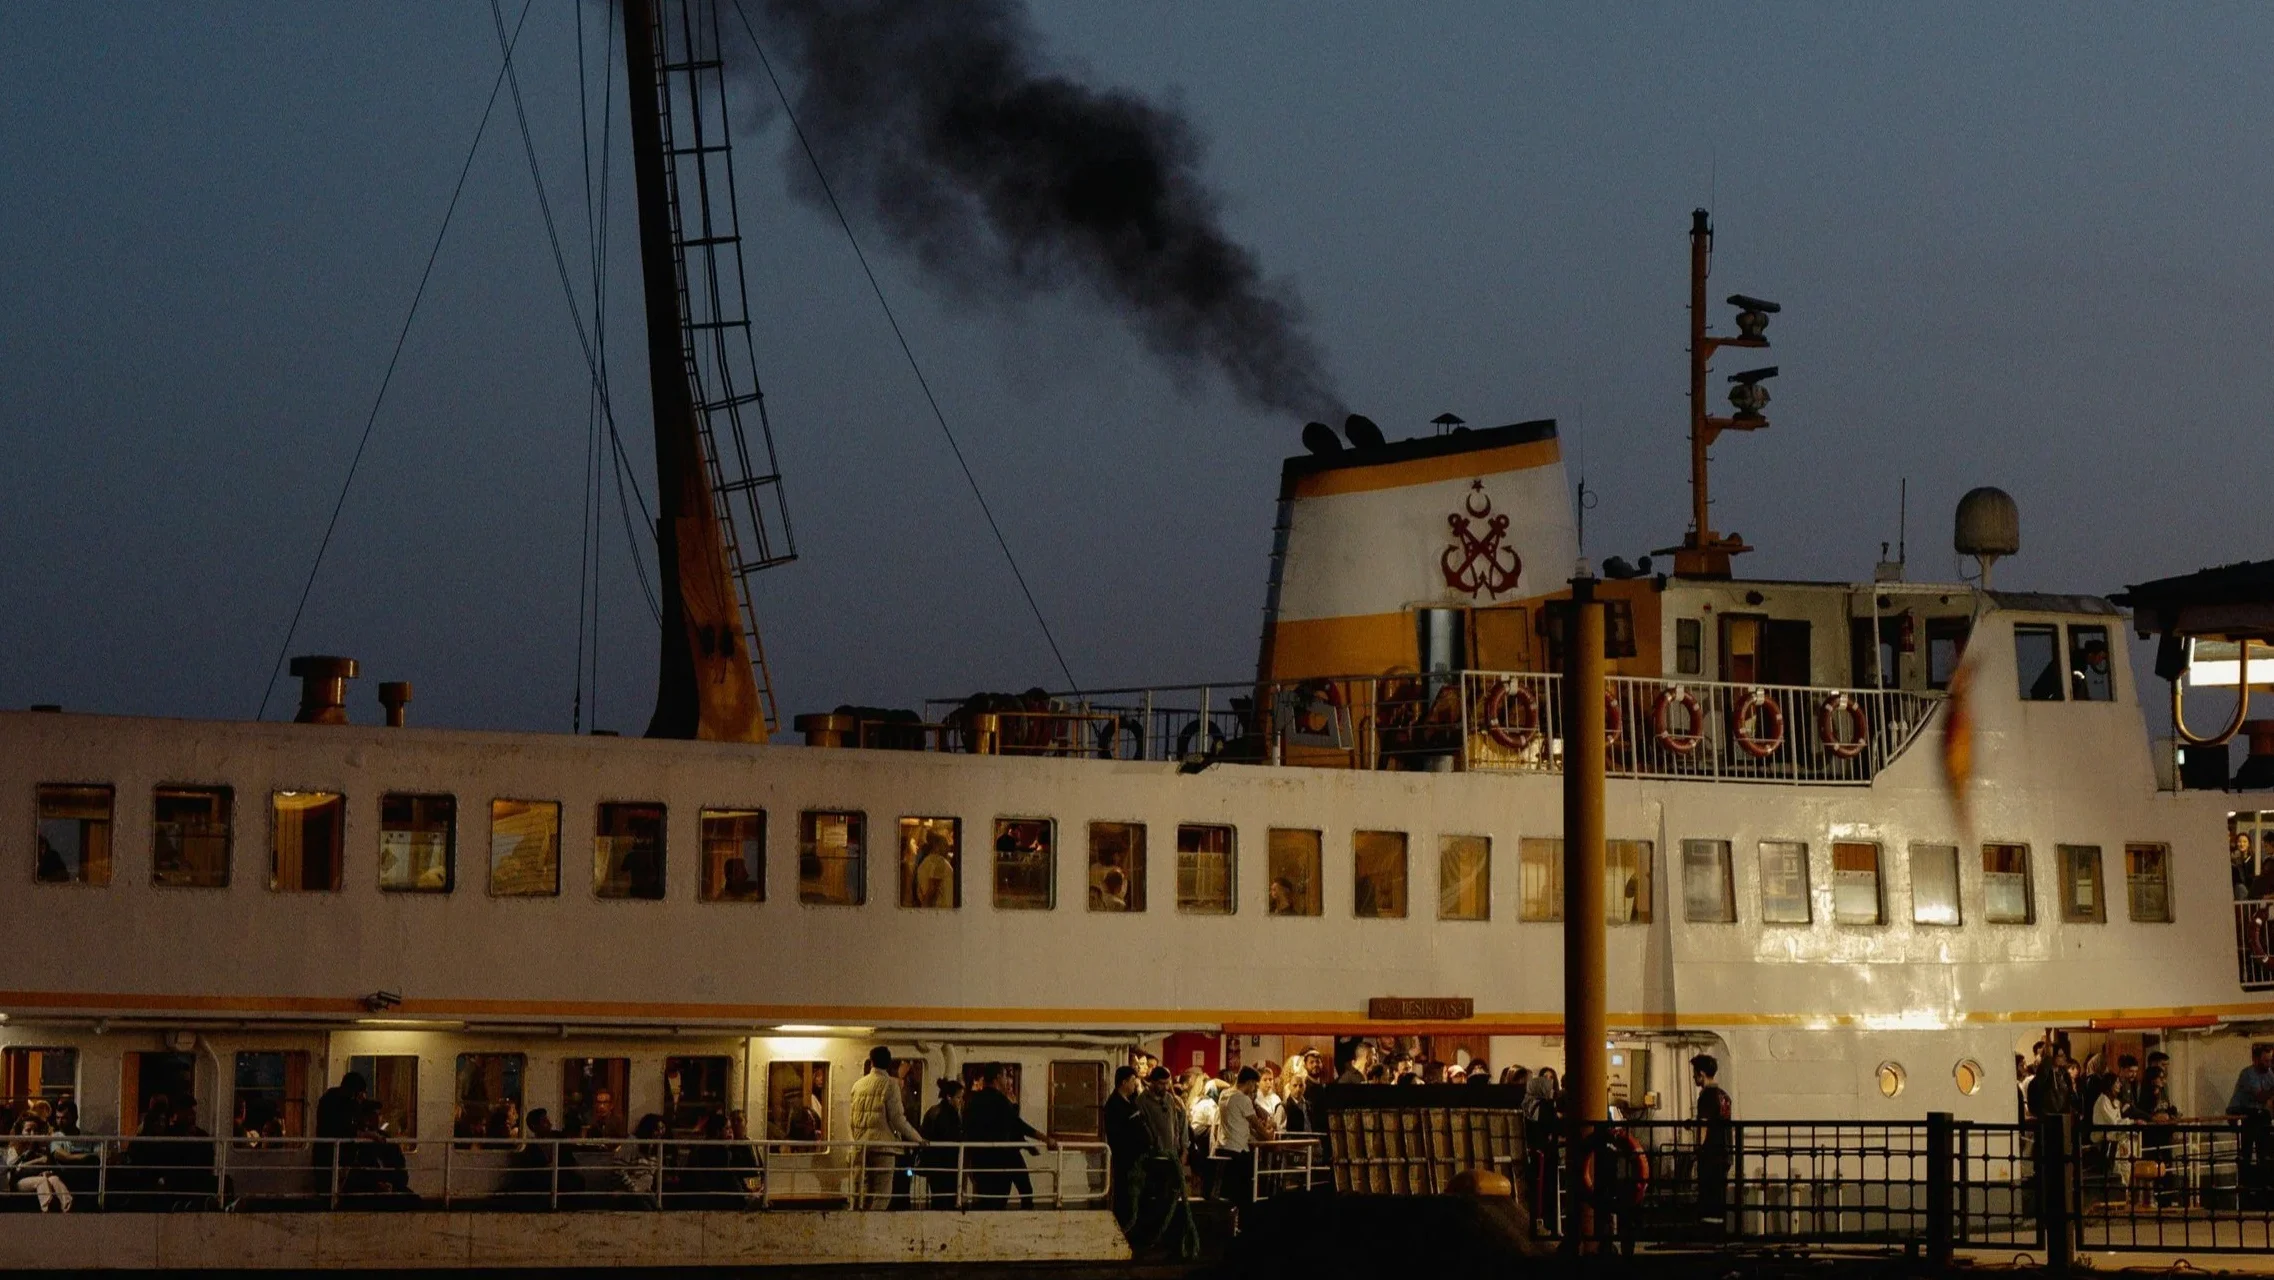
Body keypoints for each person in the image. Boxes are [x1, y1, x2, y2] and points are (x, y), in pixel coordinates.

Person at [850, 1046, 925, 1209]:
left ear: (871, 1062)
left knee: (861, 1194)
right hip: (883, 1148)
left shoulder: (858, 1085)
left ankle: (858, 1228)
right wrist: (918, 1139)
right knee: (882, 1195)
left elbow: (853, 1121)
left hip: (861, 1147)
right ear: (889, 1063)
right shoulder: (890, 1085)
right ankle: (872, 1229)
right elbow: (898, 1119)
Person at [963, 1064, 1044, 1209]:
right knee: (1021, 1192)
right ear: (998, 1077)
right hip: (1002, 1158)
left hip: (980, 1160)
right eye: (1005, 1076)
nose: (1007, 1080)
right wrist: (1044, 1138)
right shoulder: (1000, 1100)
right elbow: (1015, 1125)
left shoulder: (973, 1101)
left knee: (987, 1199)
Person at [1216, 1066, 1277, 1209]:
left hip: (1223, 1148)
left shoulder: (1224, 1094)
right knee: (1243, 1193)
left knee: (1226, 1193)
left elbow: (1239, 1122)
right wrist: (1269, 1135)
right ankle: (1244, 1224)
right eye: (1254, 1085)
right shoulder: (1242, 1099)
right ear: (1249, 1082)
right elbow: (1256, 1125)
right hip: (1238, 1151)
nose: (1254, 1089)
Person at [1691, 1054, 1733, 1228]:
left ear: (1701, 1073)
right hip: (1725, 1151)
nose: (1693, 1077)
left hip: (1711, 1153)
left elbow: (1704, 1125)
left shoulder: (1706, 1096)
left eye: (1695, 1073)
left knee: (1707, 1193)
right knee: (1719, 1194)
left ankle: (1708, 1230)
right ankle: (1720, 1228)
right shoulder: (1724, 1095)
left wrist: (1698, 1149)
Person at [1103, 1066, 1145, 1224]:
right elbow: (1117, 1134)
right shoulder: (1114, 1105)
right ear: (1124, 1082)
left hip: (1137, 1159)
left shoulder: (1132, 1102)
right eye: (1133, 1081)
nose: (1135, 1085)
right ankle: (1123, 1224)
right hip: (1125, 1159)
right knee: (1125, 1193)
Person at [6, 1117, 71, 1212]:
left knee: (54, 1179)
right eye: (28, 1130)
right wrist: (36, 1161)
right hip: (20, 1181)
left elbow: (49, 1166)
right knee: (42, 1181)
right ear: (21, 1132)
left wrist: (47, 1172)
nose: (32, 1133)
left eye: (35, 1130)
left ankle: (68, 1208)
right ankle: (47, 1210)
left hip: (39, 1176)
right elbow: (15, 1170)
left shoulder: (41, 1148)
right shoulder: (15, 1149)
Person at [918, 1080, 965, 1206]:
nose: (961, 1101)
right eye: (959, 1097)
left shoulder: (933, 1111)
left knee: (938, 1198)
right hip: (947, 1166)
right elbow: (951, 1137)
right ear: (949, 1098)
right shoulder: (950, 1115)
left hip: (934, 1165)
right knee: (947, 1199)